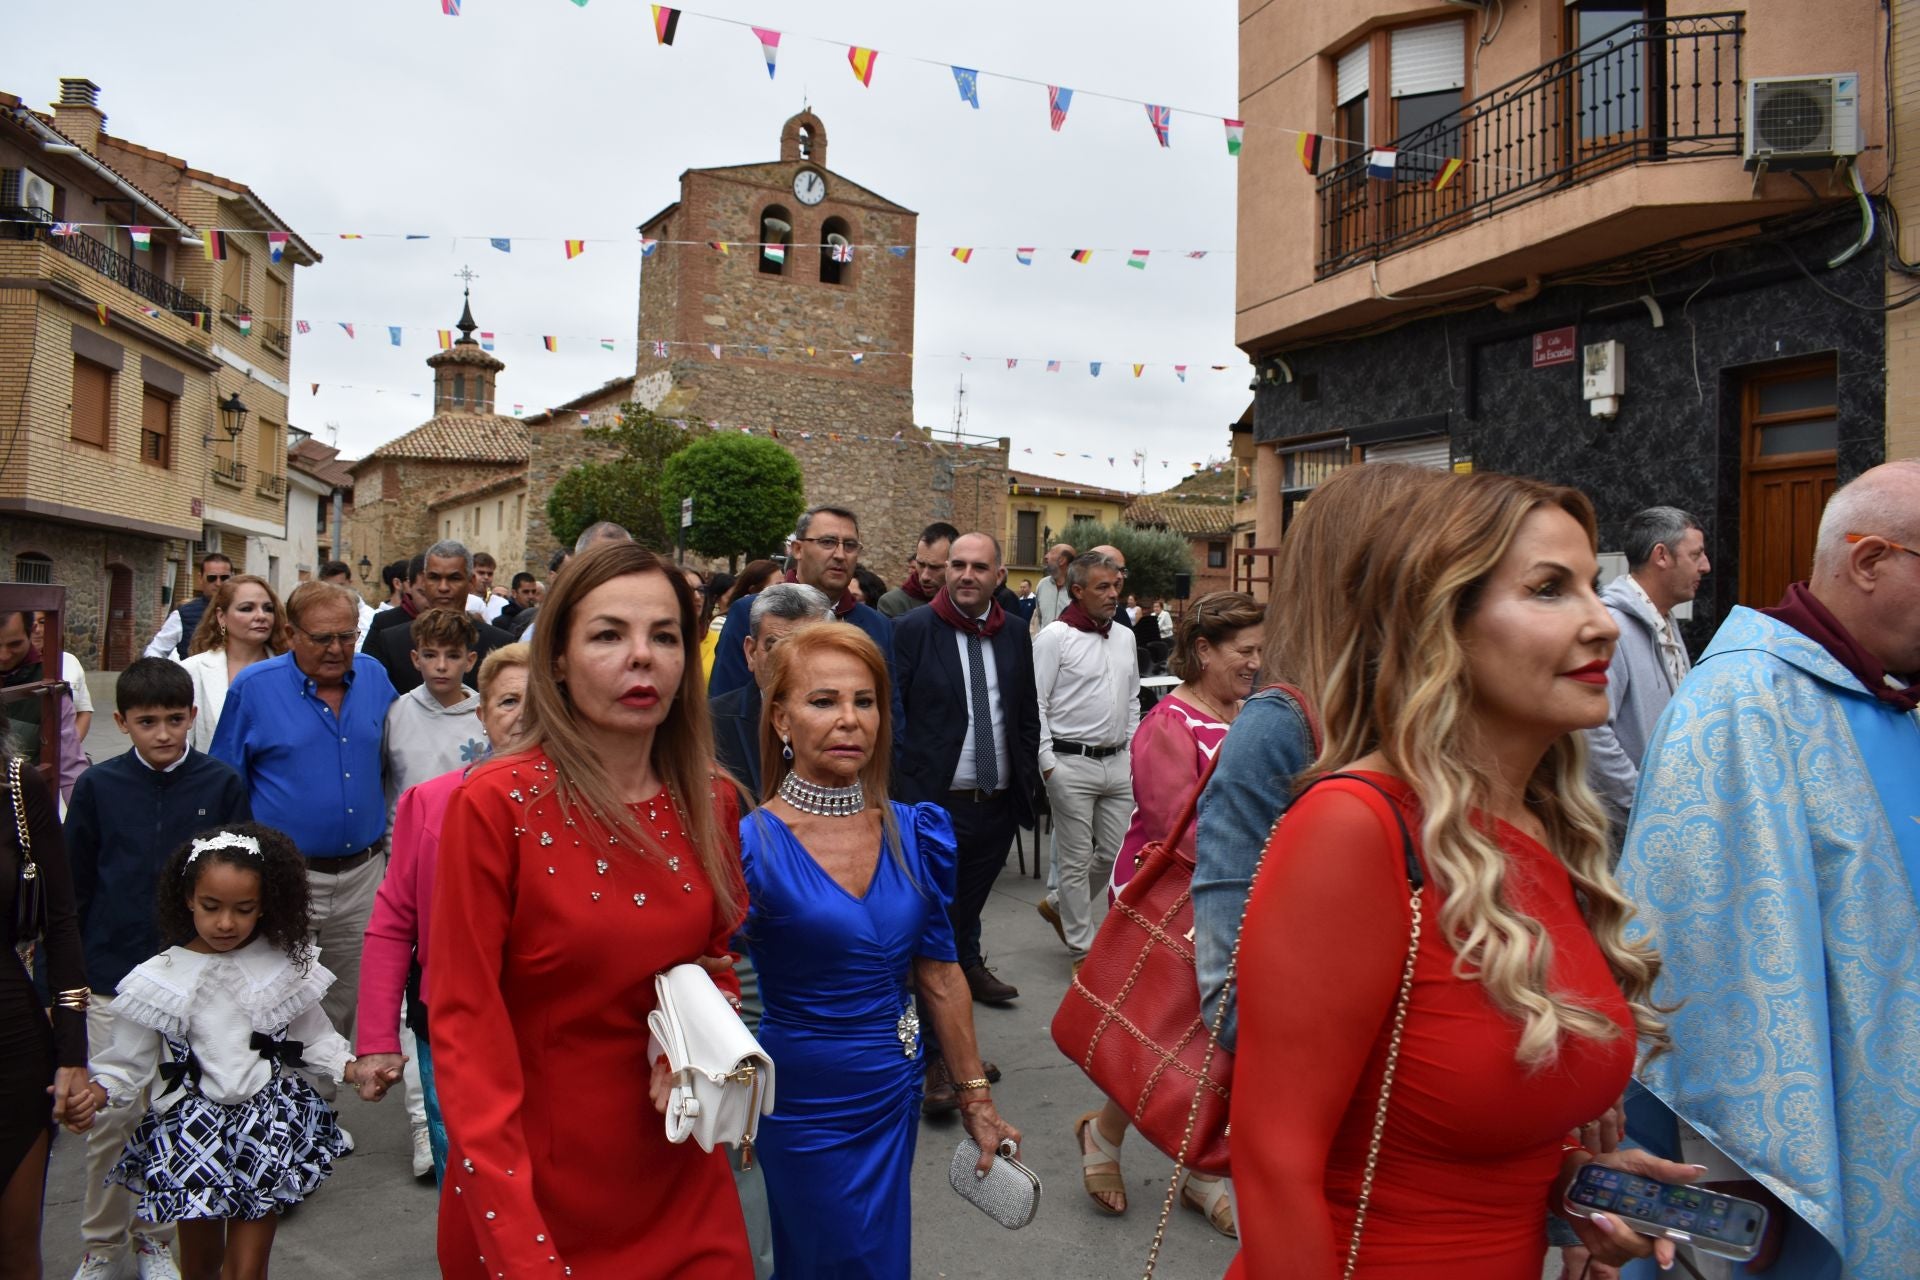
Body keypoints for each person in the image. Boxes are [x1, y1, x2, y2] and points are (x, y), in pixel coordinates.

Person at [1227, 472, 1693, 1279]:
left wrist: (1576, 1183)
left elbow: (1455, 1126)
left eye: (1591, 583)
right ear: (1442, 623)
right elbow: (1275, 1162)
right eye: (1549, 589)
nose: (1600, 622)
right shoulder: (1353, 828)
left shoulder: (1541, 827)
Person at [1617, 459, 1920, 1280]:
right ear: (1869, 563)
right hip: (1791, 1198)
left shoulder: (1887, 698)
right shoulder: (1741, 710)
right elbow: (1700, 973)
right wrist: (1719, 1220)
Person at [428, 541, 753, 1279]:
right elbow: (463, 1033)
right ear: (559, 662)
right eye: (609, 635)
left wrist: (686, 1042)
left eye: (665, 636)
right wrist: (521, 1250)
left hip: (679, 1170)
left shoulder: (711, 799)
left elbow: (713, 961)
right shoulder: (495, 805)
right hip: (535, 1189)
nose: (643, 657)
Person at [738, 623, 1022, 1278]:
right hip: (800, 1100)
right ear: (781, 718)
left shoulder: (915, 830)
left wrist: (977, 1099)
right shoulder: (749, 844)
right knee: (827, 1256)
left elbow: (942, 973)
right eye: (824, 701)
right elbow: (699, 971)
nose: (850, 721)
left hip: (891, 1088)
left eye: (865, 702)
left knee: (878, 1255)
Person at [71, 824, 393, 1280]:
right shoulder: (159, 978)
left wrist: (353, 1068)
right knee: (201, 1266)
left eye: (244, 909)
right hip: (191, 1127)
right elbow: (126, 1062)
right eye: (211, 907)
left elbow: (313, 1035)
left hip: (265, 1124)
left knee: (247, 1269)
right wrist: (98, 1093)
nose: (226, 922)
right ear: (187, 898)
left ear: (265, 907)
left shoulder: (282, 965)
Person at [1076, 591, 1263, 1232]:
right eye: (1244, 651)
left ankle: (1195, 1166)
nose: (1255, 663)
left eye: (1261, 650)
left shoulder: (1251, 716)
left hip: (1234, 895)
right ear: (1204, 650)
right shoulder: (1170, 724)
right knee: (1169, 1034)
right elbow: (1178, 831)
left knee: (1205, 1038)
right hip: (1174, 898)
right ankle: (1119, 1142)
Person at [66, 659, 250, 1280]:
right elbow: (75, 888)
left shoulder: (219, 784)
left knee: (173, 1117)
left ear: (193, 717)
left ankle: (154, 1235)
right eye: (148, 722)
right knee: (113, 1116)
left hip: (192, 979)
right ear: (122, 723)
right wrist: (67, 979)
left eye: (175, 720)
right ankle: (101, 1244)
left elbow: (240, 882)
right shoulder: (98, 788)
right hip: (112, 976)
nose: (164, 734)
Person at [354, 642, 529, 1185]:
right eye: (508, 702)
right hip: (450, 1024)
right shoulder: (427, 802)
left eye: (542, 702)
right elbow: (392, 923)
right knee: (470, 1177)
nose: (524, 716)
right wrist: (378, 1040)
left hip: (546, 1022)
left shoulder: (583, 801)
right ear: (481, 714)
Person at [209, 581, 398, 1074]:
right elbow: (226, 782)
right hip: (286, 874)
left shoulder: (376, 678)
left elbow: (397, 760)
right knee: (271, 992)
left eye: (347, 636)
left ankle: (319, 1113)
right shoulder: (254, 688)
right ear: (291, 633)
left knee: (340, 996)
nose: (338, 650)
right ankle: (268, 1107)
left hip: (362, 874)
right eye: (323, 638)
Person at [892, 532, 1041, 1017]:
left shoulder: (1015, 631)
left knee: (964, 915)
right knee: (933, 922)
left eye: (979, 567)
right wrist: (902, 793)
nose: (966, 575)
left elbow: (1023, 713)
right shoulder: (913, 628)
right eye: (957, 565)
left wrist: (1026, 787)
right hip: (935, 806)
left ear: (999, 576)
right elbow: (896, 716)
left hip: (995, 806)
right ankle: (936, 1044)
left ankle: (959, 992)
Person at [0, 727, 89, 1280]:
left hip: (11, 1043)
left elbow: (61, 921)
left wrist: (73, 1054)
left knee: (14, 1248)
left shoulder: (17, 785)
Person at [1032, 552, 1139, 967]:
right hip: (1068, 762)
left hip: (1117, 763)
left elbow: (1132, 699)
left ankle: (1059, 905)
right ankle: (1082, 948)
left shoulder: (1124, 636)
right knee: (1075, 859)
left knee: (1114, 852)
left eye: (1116, 586)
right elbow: (1036, 703)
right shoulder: (1055, 638)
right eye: (1103, 587)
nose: (1113, 594)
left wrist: (1129, 750)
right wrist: (1047, 762)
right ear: (1077, 591)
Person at [708, 508, 902, 730]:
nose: (840, 554)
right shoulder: (749, 611)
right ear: (797, 549)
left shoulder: (878, 626)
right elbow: (727, 708)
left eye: (850, 545)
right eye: (828, 542)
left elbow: (890, 716)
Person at [1584, 506, 1709, 838]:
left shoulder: (1663, 618)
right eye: (1696, 554)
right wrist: (1641, 800)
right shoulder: (1615, 627)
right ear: (1661, 556)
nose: (1705, 566)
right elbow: (1591, 731)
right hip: (1623, 832)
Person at [710, 584, 833, 797]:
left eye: (808, 648)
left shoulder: (851, 725)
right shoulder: (709, 724)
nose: (790, 662)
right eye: (776, 647)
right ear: (751, 652)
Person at [381, 608, 484, 824]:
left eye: (453, 655)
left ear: (470, 660)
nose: (441, 666)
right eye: (430, 655)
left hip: (464, 843)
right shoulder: (396, 713)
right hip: (405, 846)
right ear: (416, 659)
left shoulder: (487, 716)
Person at [368, 543, 513, 695]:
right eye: (434, 577)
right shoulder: (391, 641)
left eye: (454, 578)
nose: (443, 587)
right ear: (424, 581)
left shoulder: (500, 645)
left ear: (470, 582)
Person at [178, 575, 287, 754]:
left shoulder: (292, 670)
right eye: (247, 608)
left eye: (268, 608)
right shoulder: (191, 672)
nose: (261, 616)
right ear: (222, 617)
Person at [0, 609, 85, 805]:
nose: (3, 655)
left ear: (32, 630)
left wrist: (85, 824)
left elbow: (70, 767)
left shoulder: (49, 689)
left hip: (22, 816)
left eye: (14, 644)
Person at [143, 553, 232, 661]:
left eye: (224, 578)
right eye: (212, 578)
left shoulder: (244, 611)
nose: (218, 583)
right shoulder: (183, 614)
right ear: (200, 578)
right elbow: (155, 650)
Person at [875, 522, 958, 619]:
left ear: (955, 565)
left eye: (934, 567)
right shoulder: (893, 604)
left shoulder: (970, 601)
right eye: (921, 564)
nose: (924, 576)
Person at [32, 612, 91, 742]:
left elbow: (84, 711)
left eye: (42, 622)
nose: (36, 629)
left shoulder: (69, 661)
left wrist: (70, 747)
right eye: (30, 621)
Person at [318, 561, 378, 651]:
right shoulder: (316, 617)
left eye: (340, 586)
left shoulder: (370, 617)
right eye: (329, 587)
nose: (334, 591)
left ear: (349, 583)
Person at [465, 551, 507, 624]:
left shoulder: (503, 604)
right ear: (470, 574)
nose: (486, 577)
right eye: (481, 573)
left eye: (490, 574)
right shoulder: (462, 601)